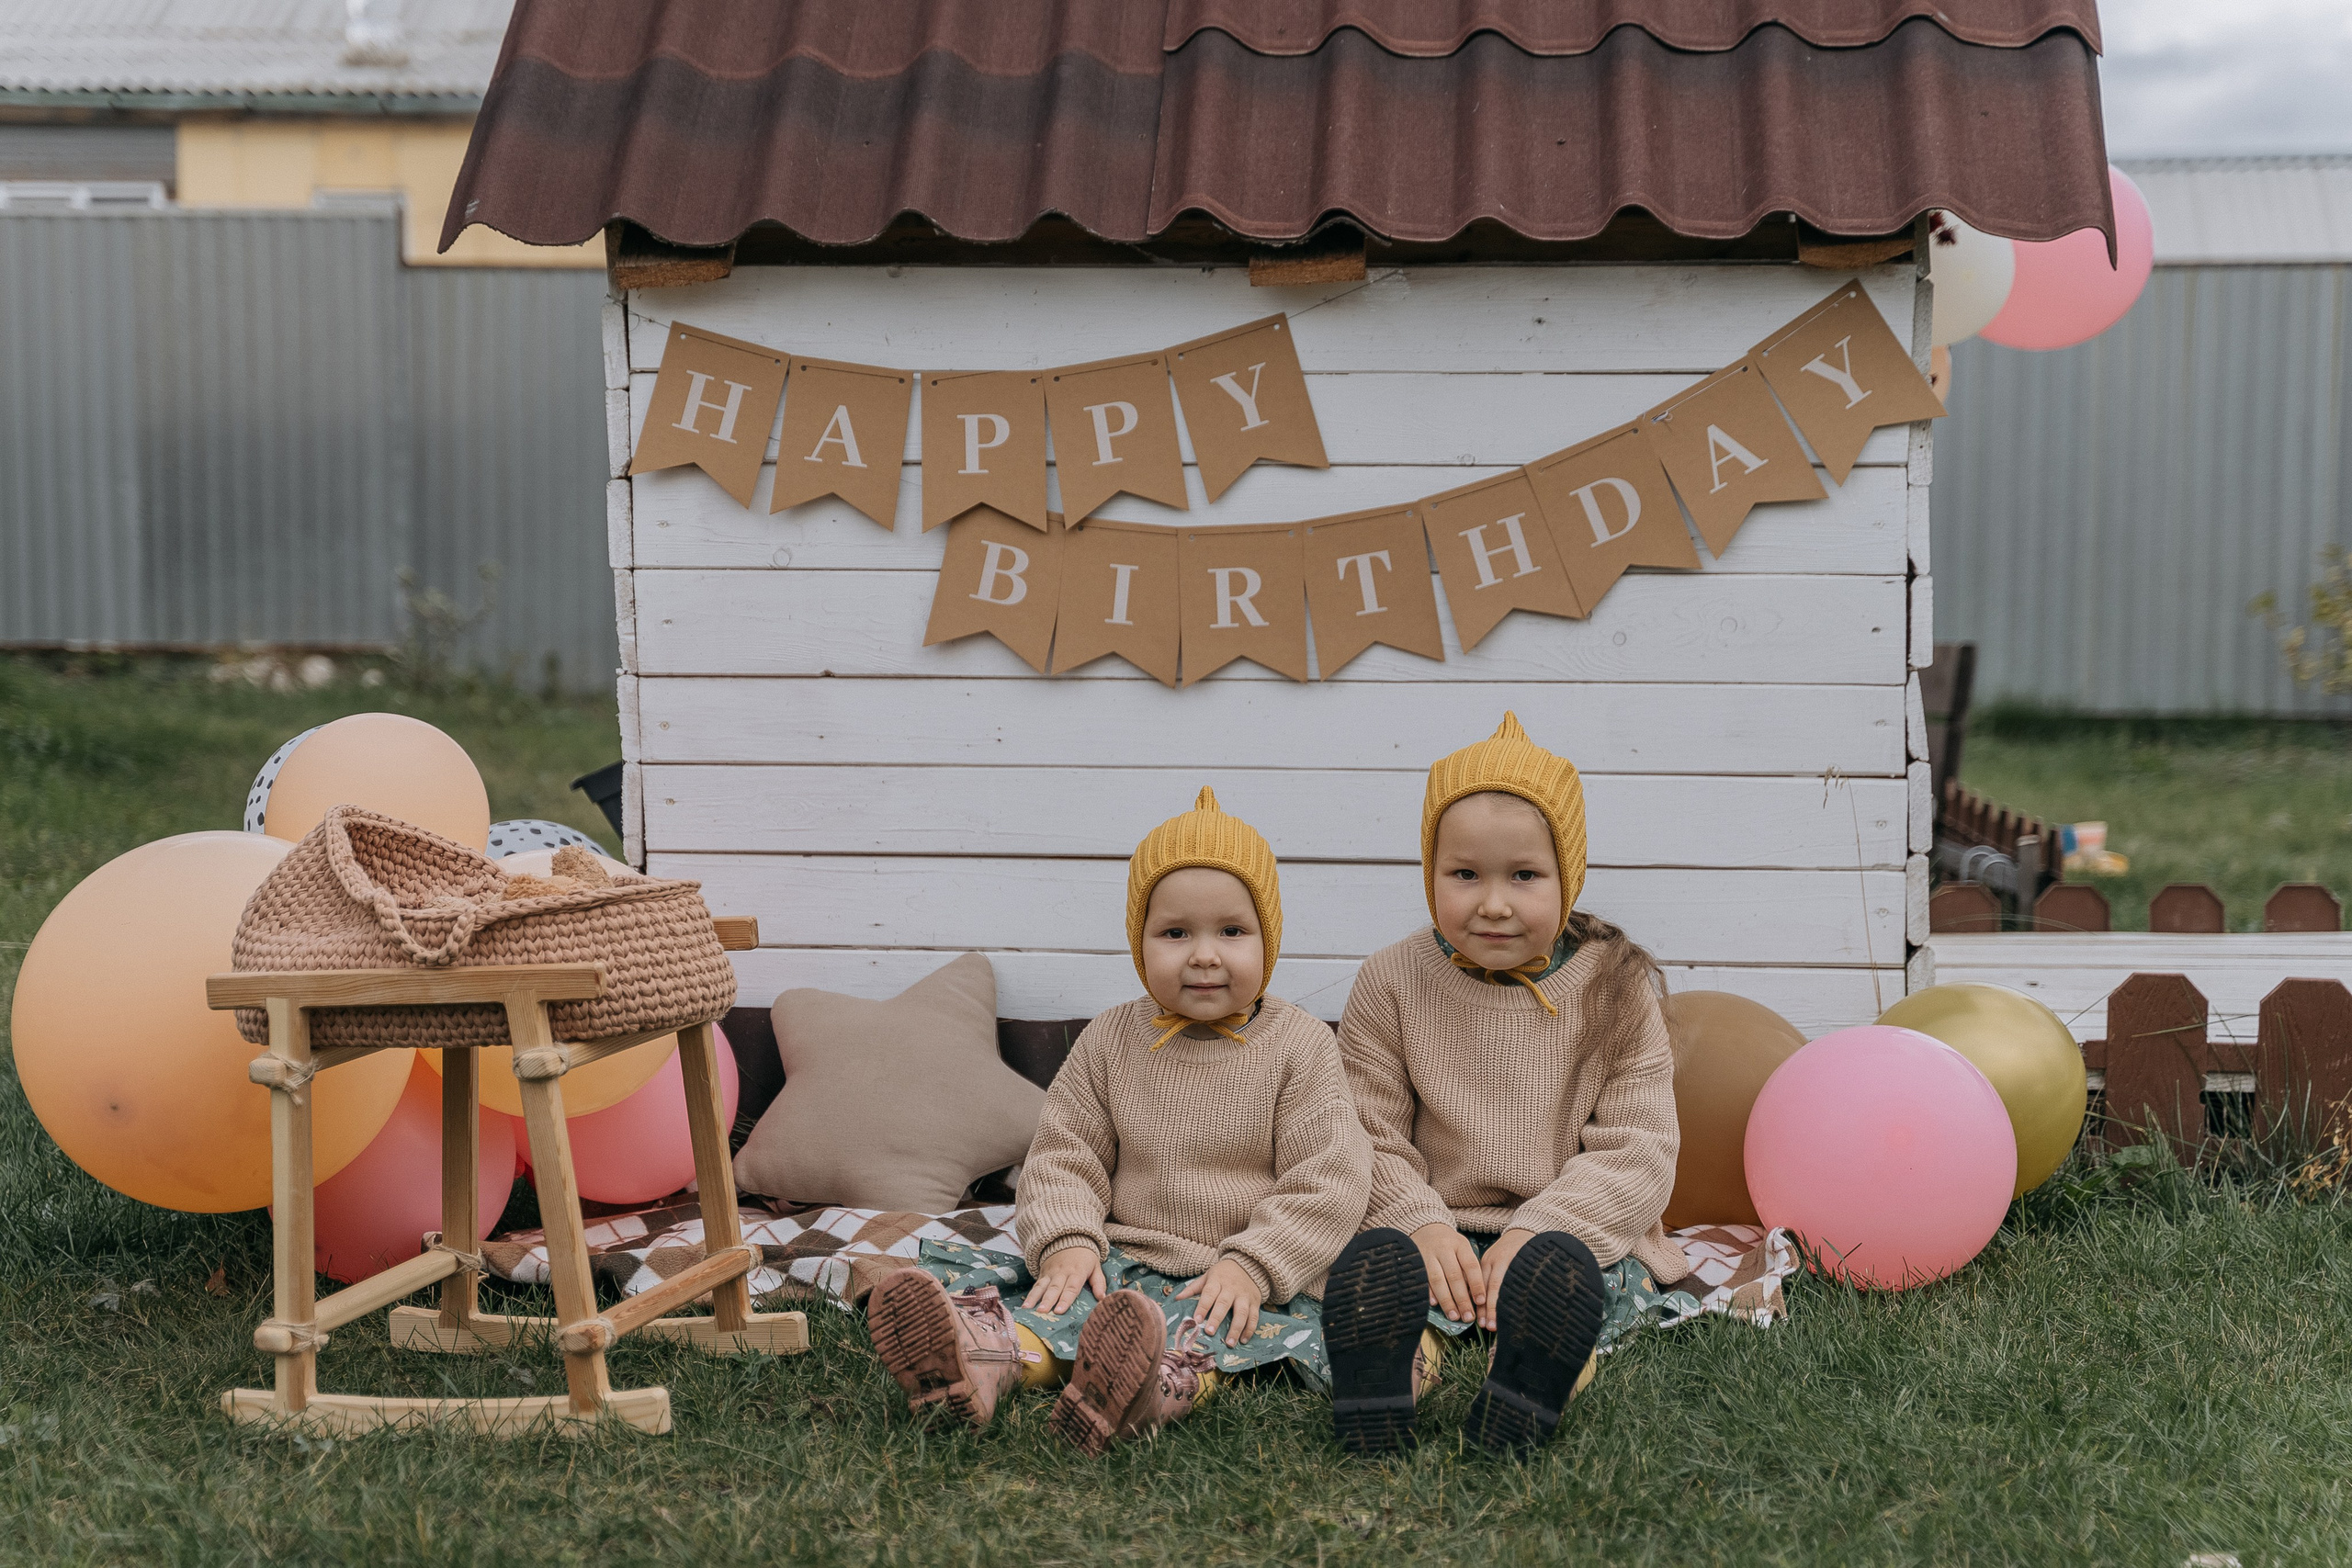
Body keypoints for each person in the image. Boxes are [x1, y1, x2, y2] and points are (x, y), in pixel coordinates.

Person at [866, 786, 1374, 1452]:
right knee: (1054, 1302)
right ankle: (984, 1363)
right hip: (1123, 1259)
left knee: (1210, 1330)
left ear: (1268, 936)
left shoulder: (1300, 1045)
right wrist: (1069, 1239)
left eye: (1231, 930)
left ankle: (1148, 1390)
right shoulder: (1110, 1039)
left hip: (1234, 1273)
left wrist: (1256, 1263)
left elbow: (1330, 1175)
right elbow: (1062, 1154)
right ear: (1139, 940)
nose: (1203, 954)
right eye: (1174, 932)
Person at [1324, 713, 1689, 1458]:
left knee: (1577, 1299)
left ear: (1568, 875)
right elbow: (1361, 1129)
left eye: (1524, 876)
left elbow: (1638, 1149)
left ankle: (1525, 1382)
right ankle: (1391, 1382)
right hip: (1431, 1228)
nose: (1493, 902)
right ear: (1431, 873)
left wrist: (1540, 1228)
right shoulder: (1391, 980)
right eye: (1465, 875)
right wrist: (1419, 1221)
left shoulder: (1614, 988)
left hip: (1566, 1238)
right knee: (1386, 1291)